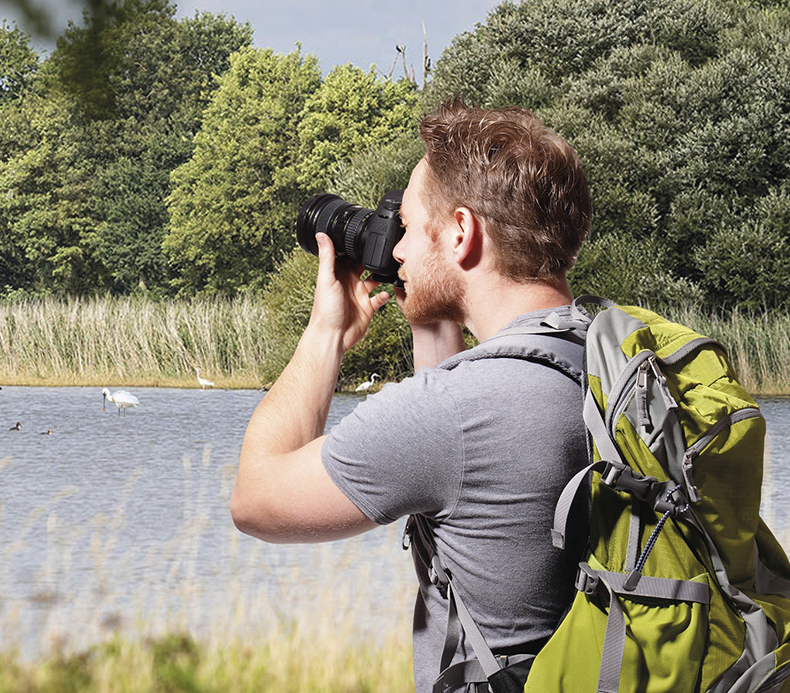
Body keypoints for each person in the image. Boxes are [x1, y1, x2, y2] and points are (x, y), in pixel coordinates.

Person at [230, 100, 595, 693]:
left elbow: (255, 498)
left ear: (461, 231)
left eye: (408, 223)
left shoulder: (452, 415)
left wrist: (328, 333)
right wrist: (429, 312)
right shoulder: (607, 362)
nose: (396, 247)